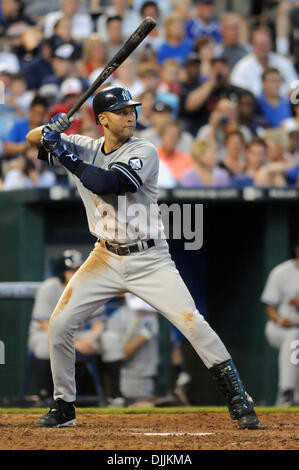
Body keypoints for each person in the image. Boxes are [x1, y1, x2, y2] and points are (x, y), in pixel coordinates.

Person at [26, 85, 259, 429]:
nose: (130, 116)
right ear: (102, 120)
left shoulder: (144, 150)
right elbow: (34, 140)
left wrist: (63, 153)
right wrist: (52, 129)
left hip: (149, 258)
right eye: (121, 112)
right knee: (59, 325)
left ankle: (239, 397)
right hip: (103, 257)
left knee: (192, 321)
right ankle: (64, 406)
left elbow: (108, 183)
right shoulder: (87, 145)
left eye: (131, 110)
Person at [27, 249, 105, 404]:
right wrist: (74, 343)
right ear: (62, 271)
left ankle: (112, 397)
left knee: (110, 340)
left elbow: (98, 324)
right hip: (47, 333)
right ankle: (44, 395)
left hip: (81, 334)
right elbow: (44, 324)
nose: (75, 273)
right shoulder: (49, 287)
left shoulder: (90, 287)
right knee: (44, 345)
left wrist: (89, 339)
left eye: (78, 269)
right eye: (71, 270)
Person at [261, 241, 299, 406]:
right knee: (294, 337)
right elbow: (269, 307)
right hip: (279, 327)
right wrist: (279, 320)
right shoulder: (281, 272)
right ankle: (287, 390)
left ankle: (286, 400)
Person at [231, 26, 299, 97]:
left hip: (284, 105)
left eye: (265, 44)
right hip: (255, 106)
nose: (262, 48)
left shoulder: (283, 63)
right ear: (252, 45)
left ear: (271, 44)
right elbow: (237, 92)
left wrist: (292, 94)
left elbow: (296, 84)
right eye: (259, 44)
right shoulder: (242, 67)